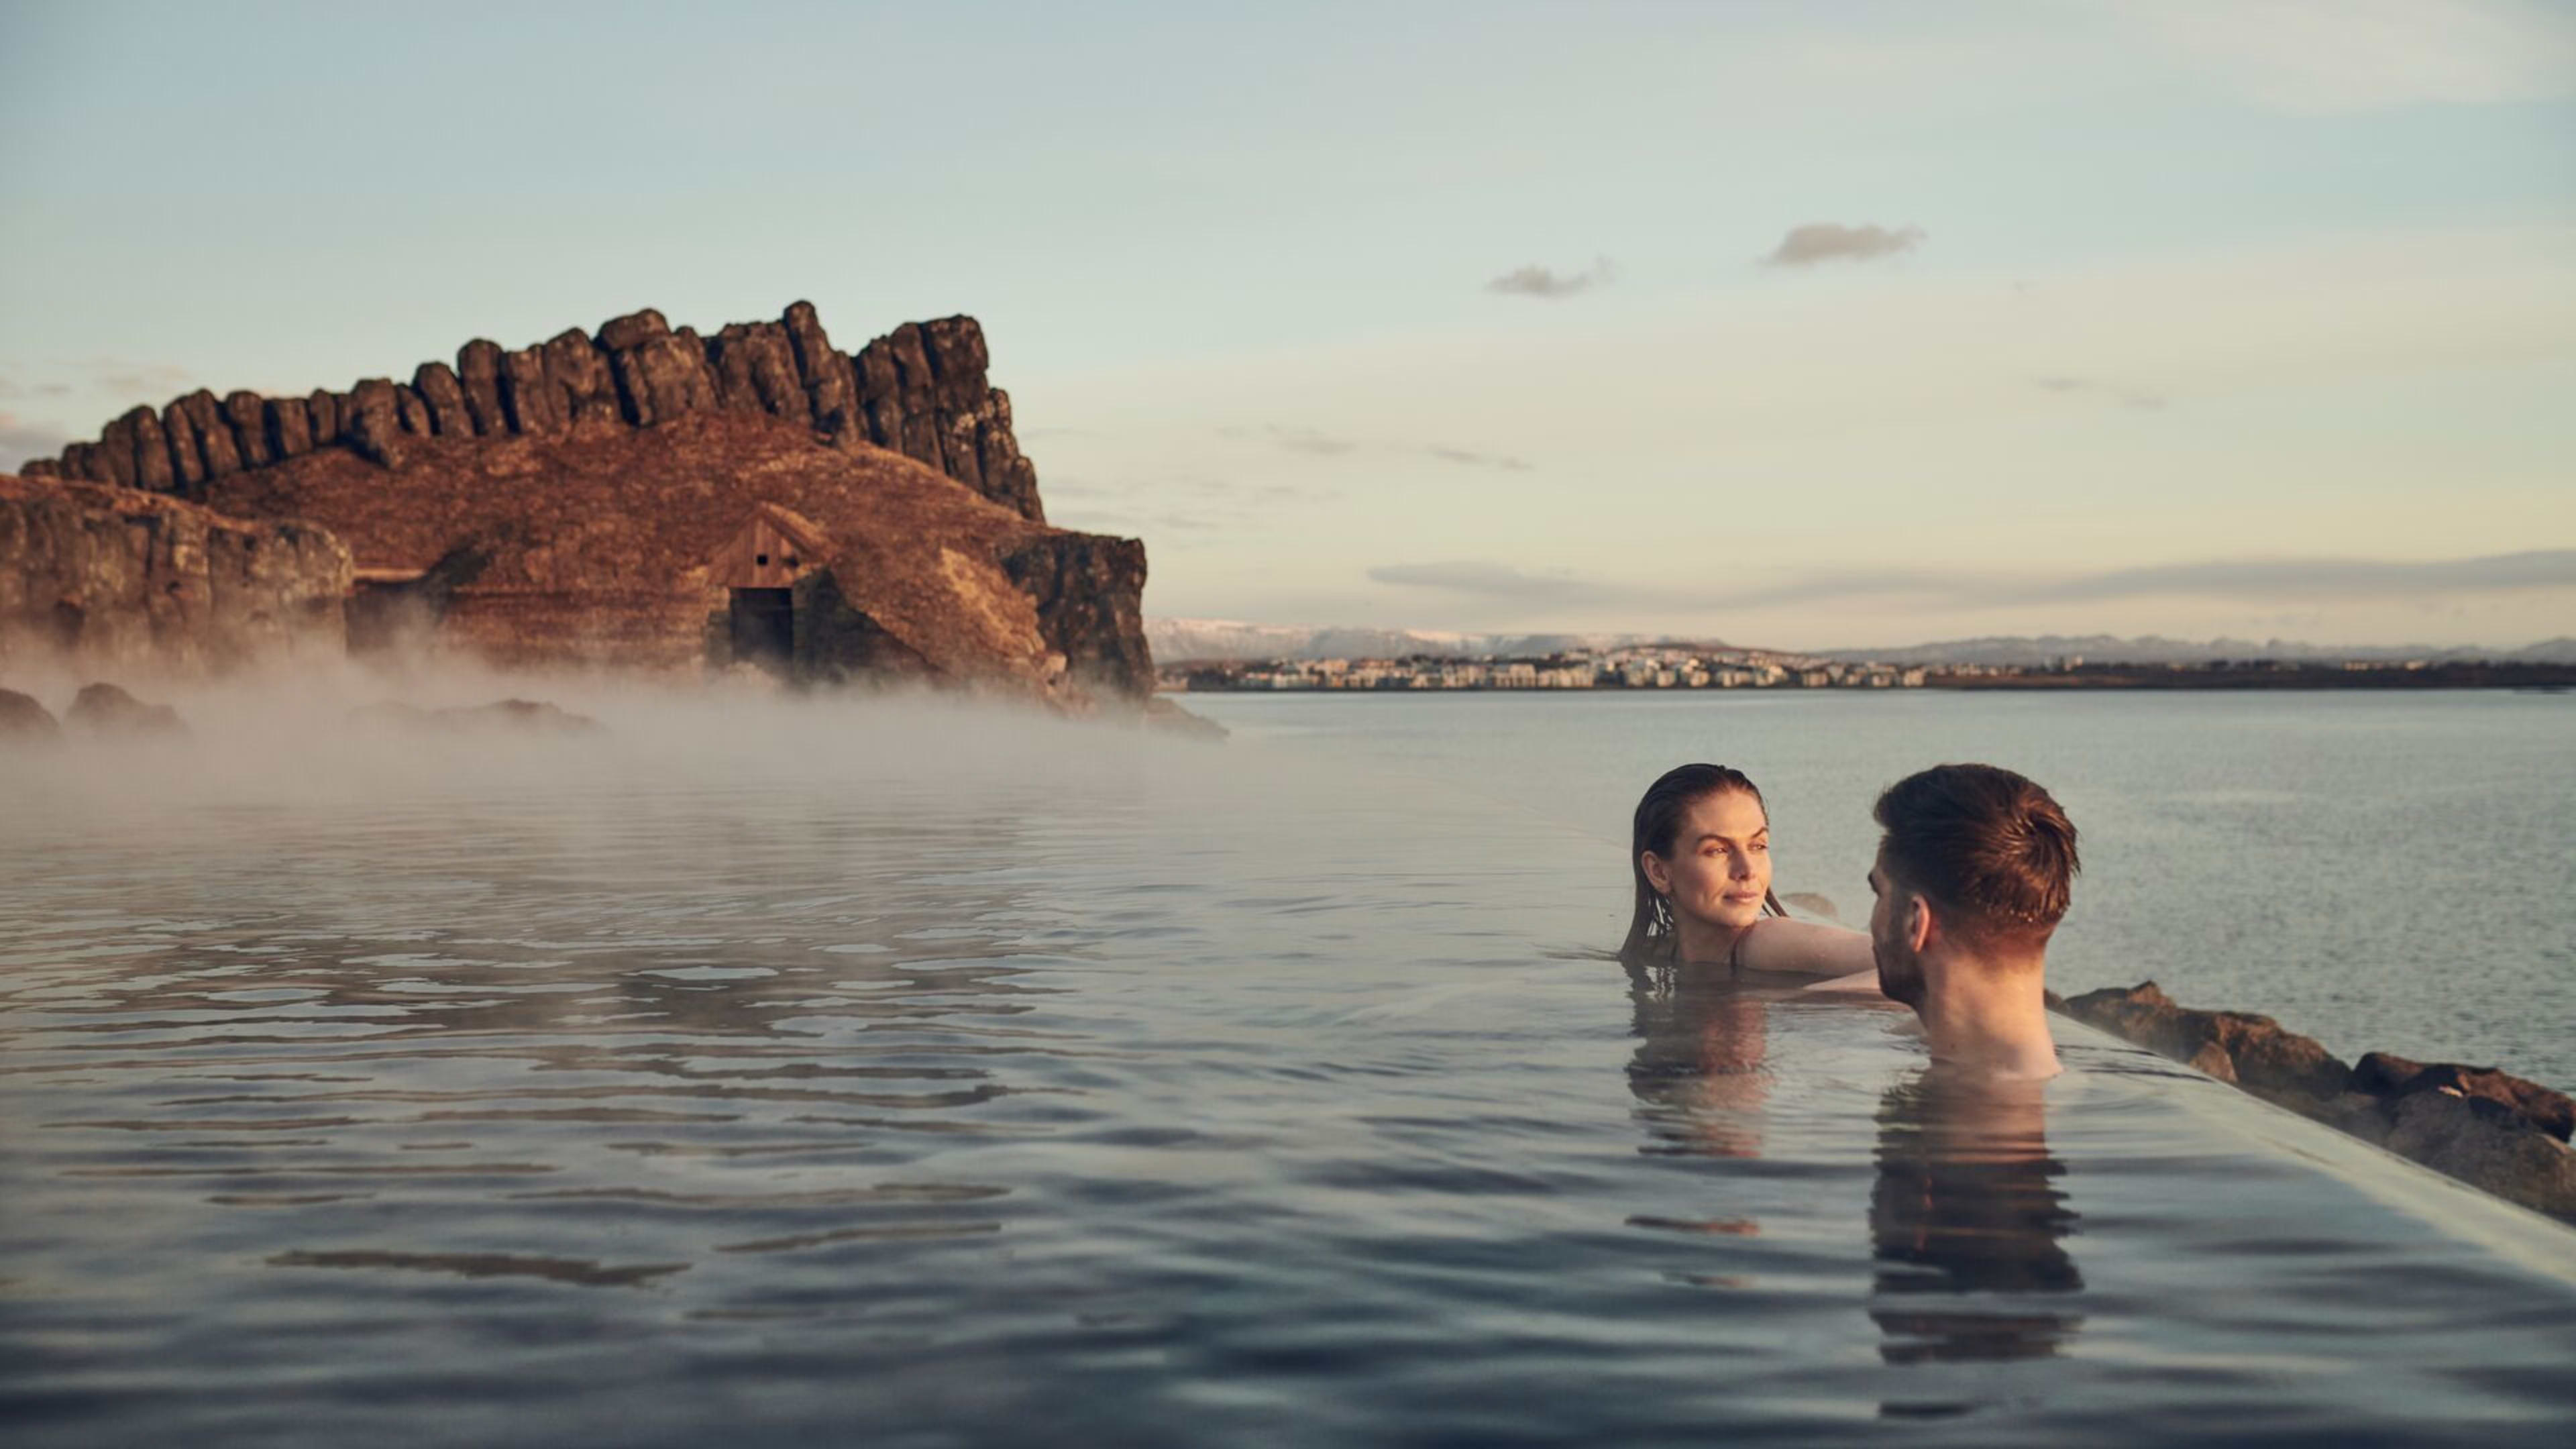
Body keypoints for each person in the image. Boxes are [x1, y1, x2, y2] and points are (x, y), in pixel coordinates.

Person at [1859, 763, 2079, 1080]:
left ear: (1916, 922)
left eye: (1878, 893)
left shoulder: (1972, 1103)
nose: (1871, 921)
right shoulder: (2042, 1078)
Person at [1621, 763, 1878, 985]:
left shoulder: (1769, 942)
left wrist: (1804, 1002)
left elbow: (1902, 965)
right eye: (1718, 850)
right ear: (1659, 872)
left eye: (1758, 846)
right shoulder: (1655, 951)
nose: (1748, 870)